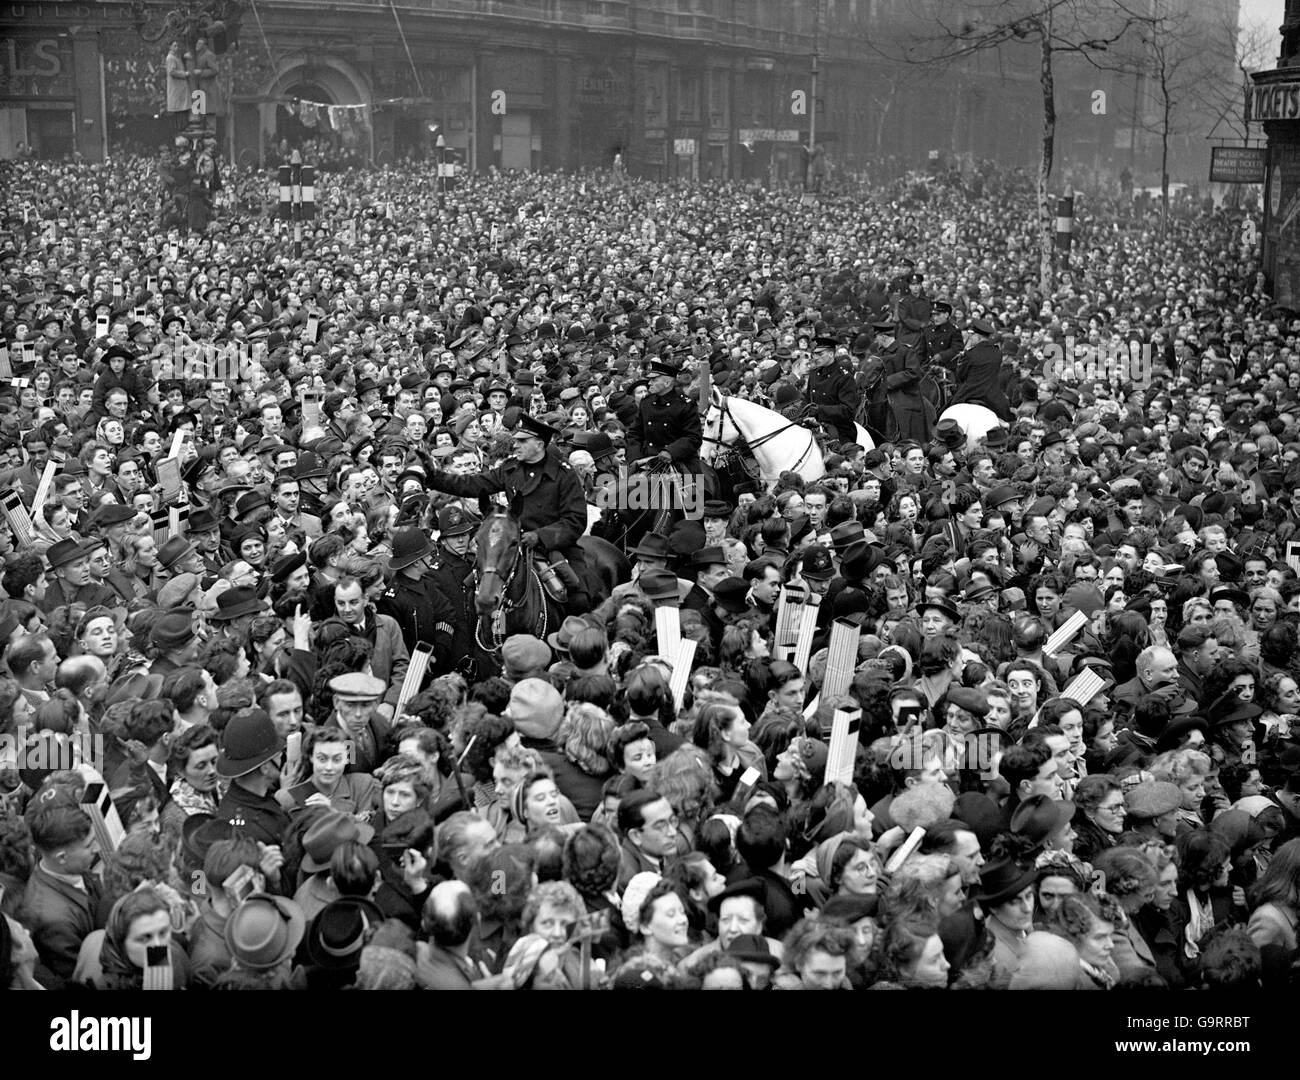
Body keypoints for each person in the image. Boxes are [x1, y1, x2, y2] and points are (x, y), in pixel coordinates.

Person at [424, 413, 590, 610]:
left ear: (539, 444)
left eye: (522, 441)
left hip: (553, 545)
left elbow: (576, 520)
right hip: (511, 543)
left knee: (579, 597)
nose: (515, 445)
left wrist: (539, 537)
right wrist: (435, 477)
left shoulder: (564, 474)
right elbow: (473, 484)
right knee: (475, 587)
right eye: (515, 440)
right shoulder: (510, 469)